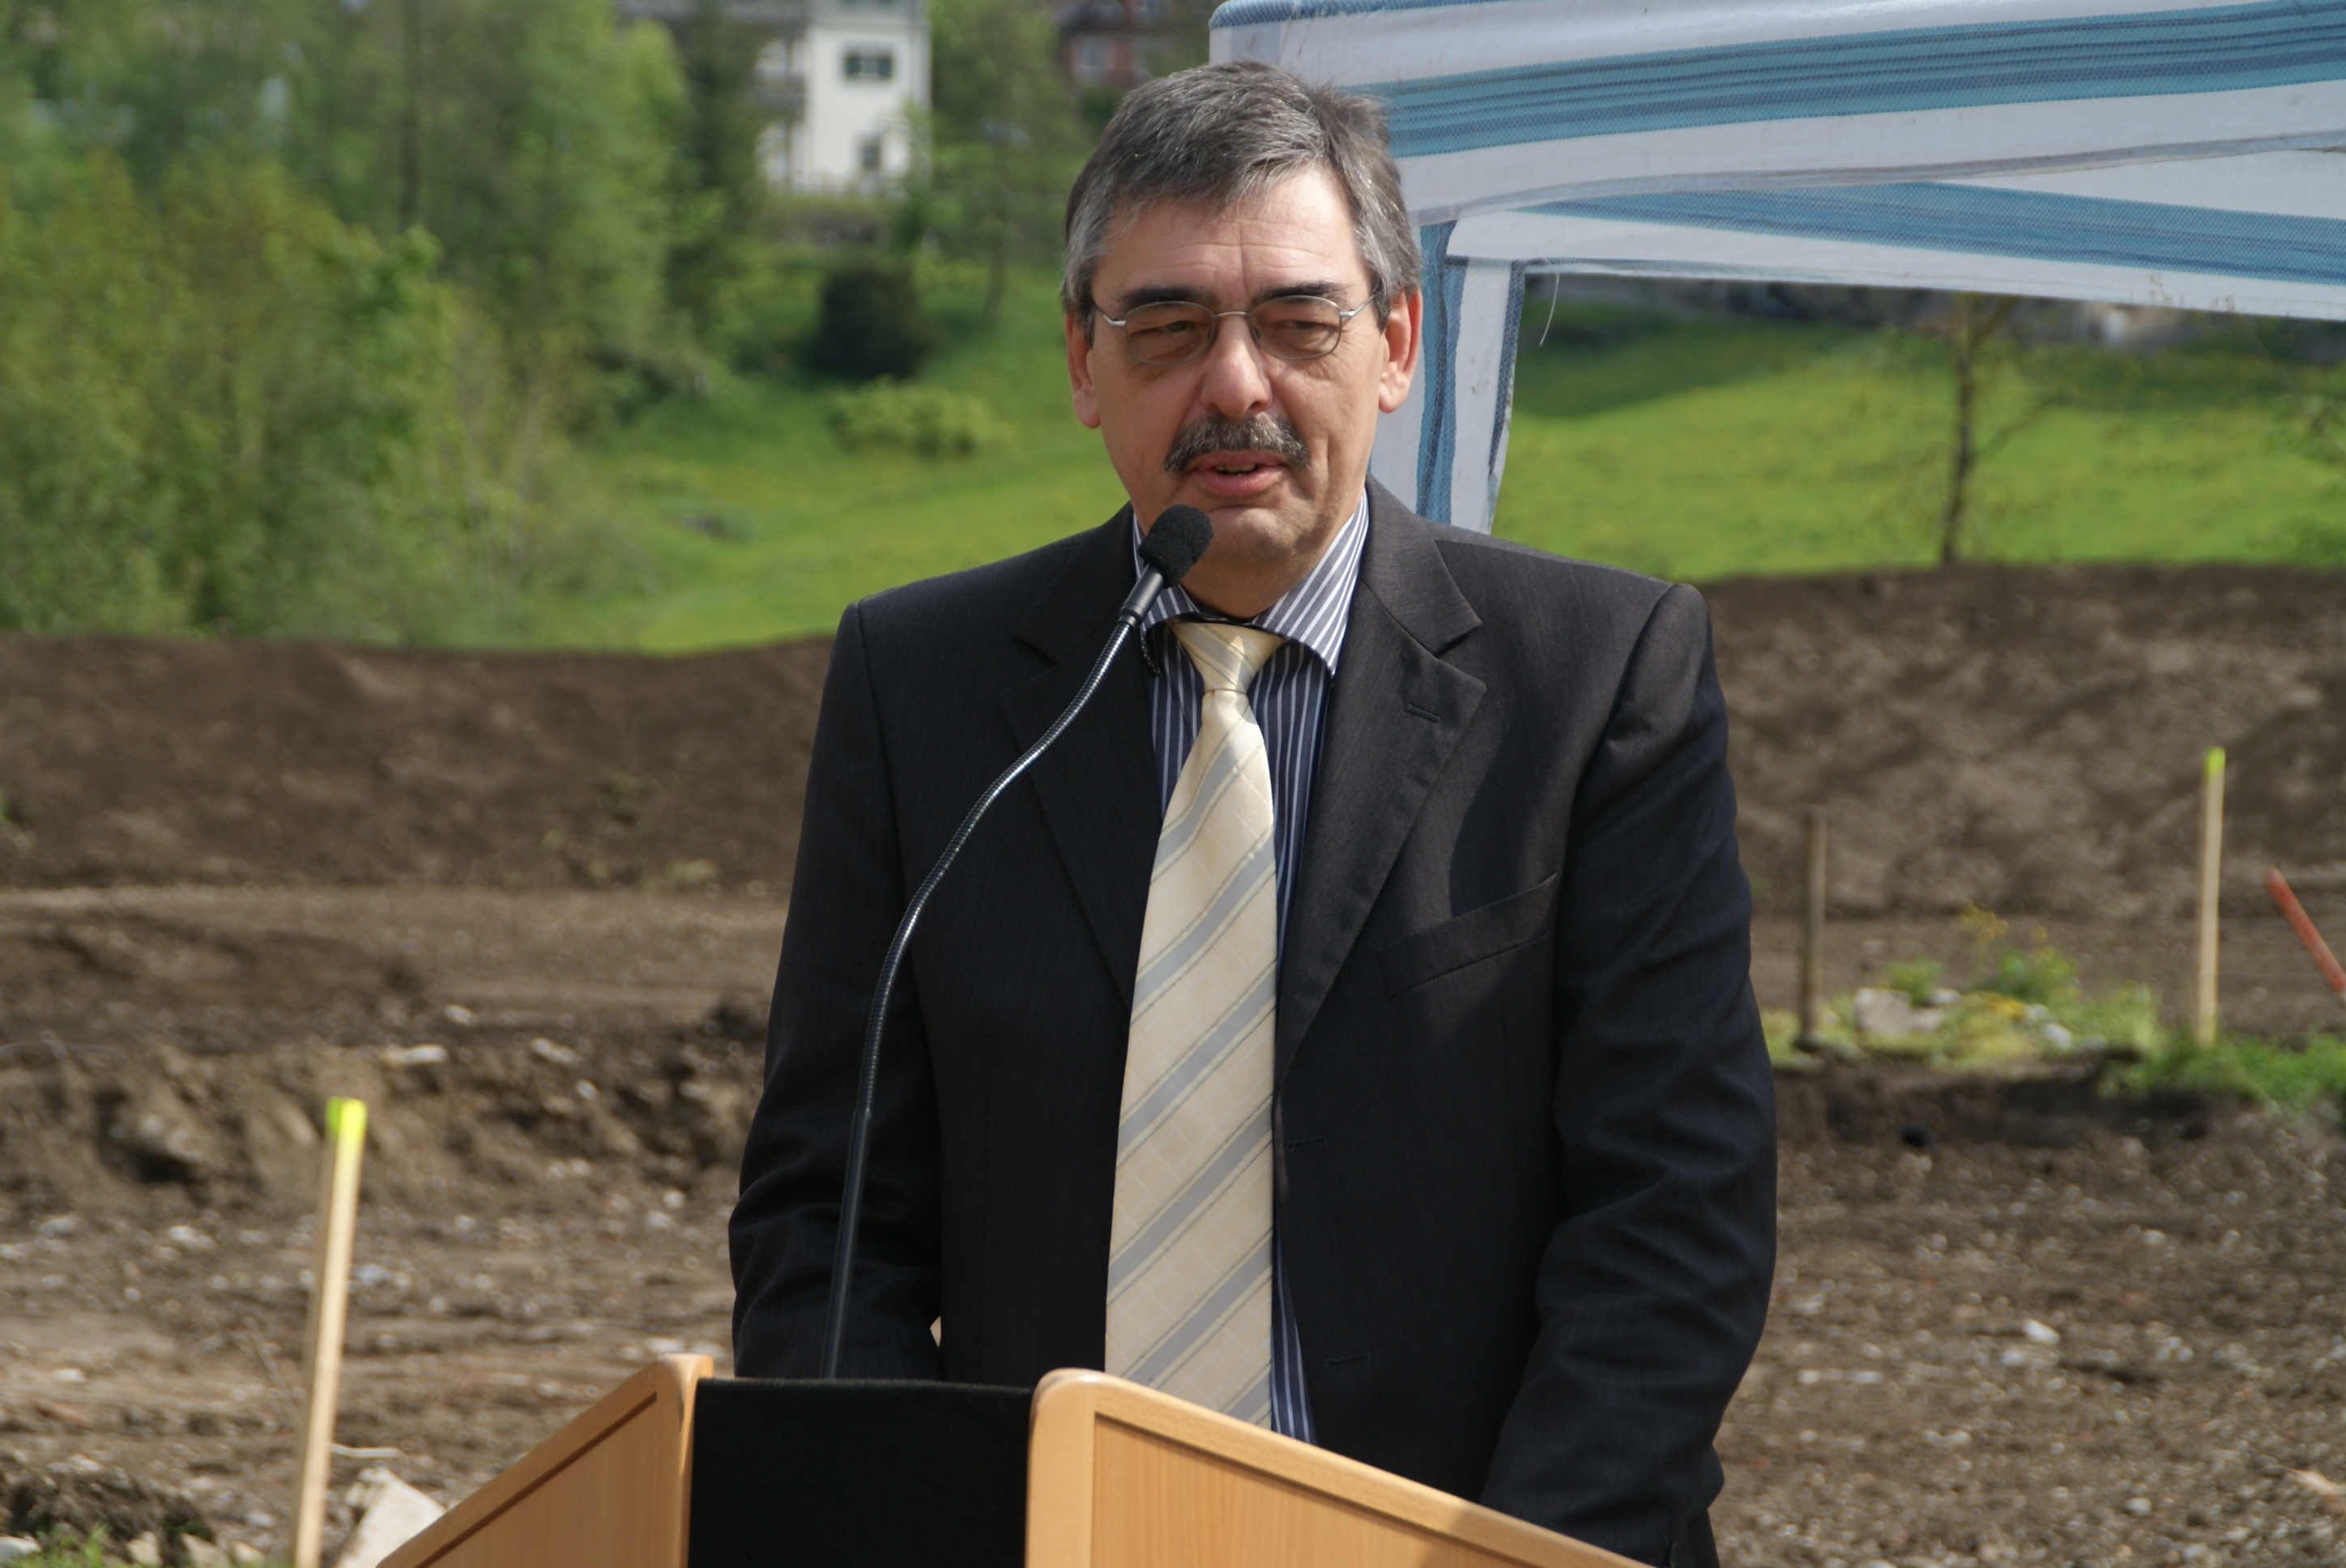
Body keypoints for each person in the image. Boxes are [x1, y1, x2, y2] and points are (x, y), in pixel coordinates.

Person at [730, 61, 1774, 1568]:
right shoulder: (922, 689)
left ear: (1395, 344)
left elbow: (1673, 1220)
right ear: (1082, 363)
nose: (1235, 386)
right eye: (1167, 328)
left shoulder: (1599, 681)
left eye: (1298, 322)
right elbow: (827, 1229)